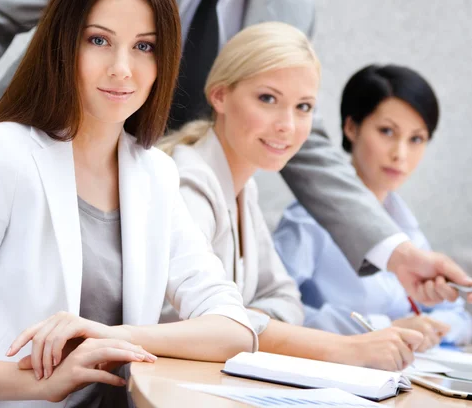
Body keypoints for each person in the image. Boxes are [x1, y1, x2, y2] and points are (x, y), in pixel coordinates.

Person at [0, 0, 469, 302]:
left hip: (142, 207)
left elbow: (303, 139)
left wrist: (397, 252)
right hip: (34, 153)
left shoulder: (291, 10)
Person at [0, 0, 257, 407]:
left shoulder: (155, 175)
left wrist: (111, 336)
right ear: (62, 45)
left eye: (144, 46)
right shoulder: (2, 155)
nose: (122, 69)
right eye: (99, 40)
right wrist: (39, 383)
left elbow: (234, 328)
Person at [159, 23, 424, 371]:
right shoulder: (187, 184)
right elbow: (184, 325)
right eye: (268, 99)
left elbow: (286, 299)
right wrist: (344, 348)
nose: (288, 124)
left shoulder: (243, 190)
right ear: (220, 95)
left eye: (303, 107)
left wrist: (245, 320)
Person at [275, 65, 472, 350]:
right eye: (387, 131)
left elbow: (454, 317)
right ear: (351, 127)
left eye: (416, 139)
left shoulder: (405, 227)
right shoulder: (308, 219)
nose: (400, 154)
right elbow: (271, 314)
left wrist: (431, 329)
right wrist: (383, 328)